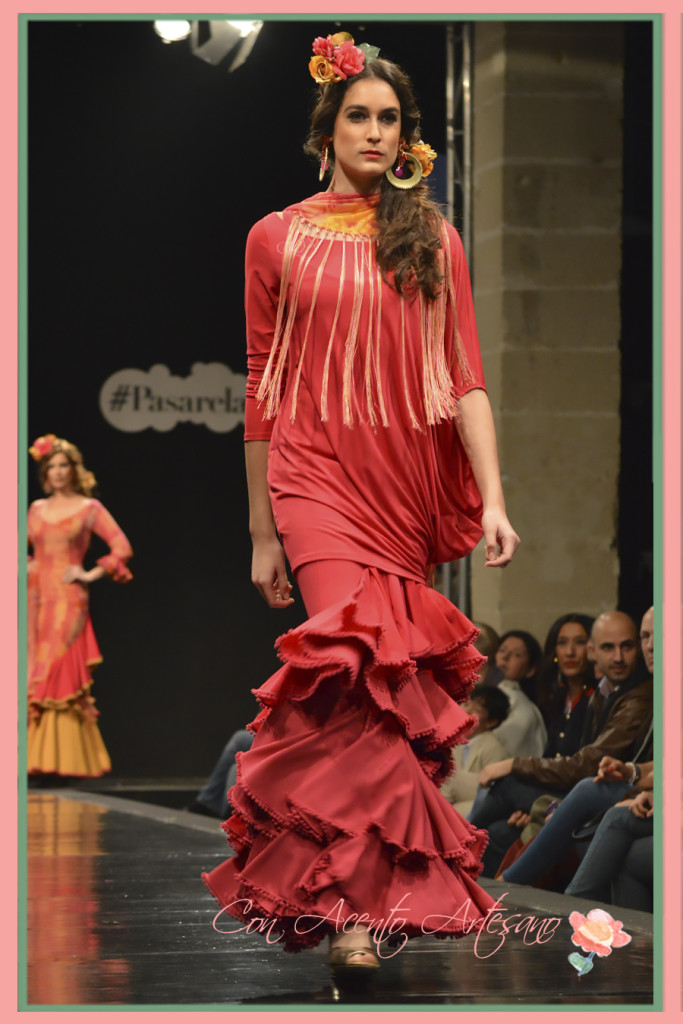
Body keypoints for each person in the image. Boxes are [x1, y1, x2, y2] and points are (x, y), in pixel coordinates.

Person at [201, 33, 520, 983]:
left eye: (389, 119)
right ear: (327, 128)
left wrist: (494, 498)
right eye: (359, 116)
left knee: (379, 700)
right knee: (351, 664)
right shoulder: (275, 235)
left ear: (405, 136)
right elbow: (260, 382)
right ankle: (349, 912)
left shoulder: (431, 237)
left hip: (399, 487)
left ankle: (362, 895)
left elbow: (463, 377)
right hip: (310, 476)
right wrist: (263, 530)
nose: (374, 131)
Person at [468, 610, 652, 875]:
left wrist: (514, 764)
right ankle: (465, 876)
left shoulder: (634, 694)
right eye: (608, 647)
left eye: (627, 646)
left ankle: (457, 860)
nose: (619, 657)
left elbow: (586, 765)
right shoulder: (596, 692)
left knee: (505, 784)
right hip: (575, 790)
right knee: (498, 830)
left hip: (597, 793)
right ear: (594, 651)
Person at [27, 434, 133, 779]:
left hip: (68, 600)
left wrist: (90, 573)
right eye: (51, 466)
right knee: (31, 670)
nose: (57, 472)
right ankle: (31, 760)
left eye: (63, 465)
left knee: (56, 671)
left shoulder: (89, 509)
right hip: (35, 600)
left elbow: (121, 546)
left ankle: (63, 763)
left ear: (74, 470)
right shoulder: (37, 509)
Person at [440, 684, 510, 816]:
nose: (465, 712)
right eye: (466, 705)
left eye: (476, 711)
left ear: (491, 722)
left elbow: (490, 793)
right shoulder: (454, 739)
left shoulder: (494, 749)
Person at [490, 631, 546, 758]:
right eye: (502, 650)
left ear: (531, 670)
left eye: (517, 654)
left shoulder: (522, 707)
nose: (505, 657)